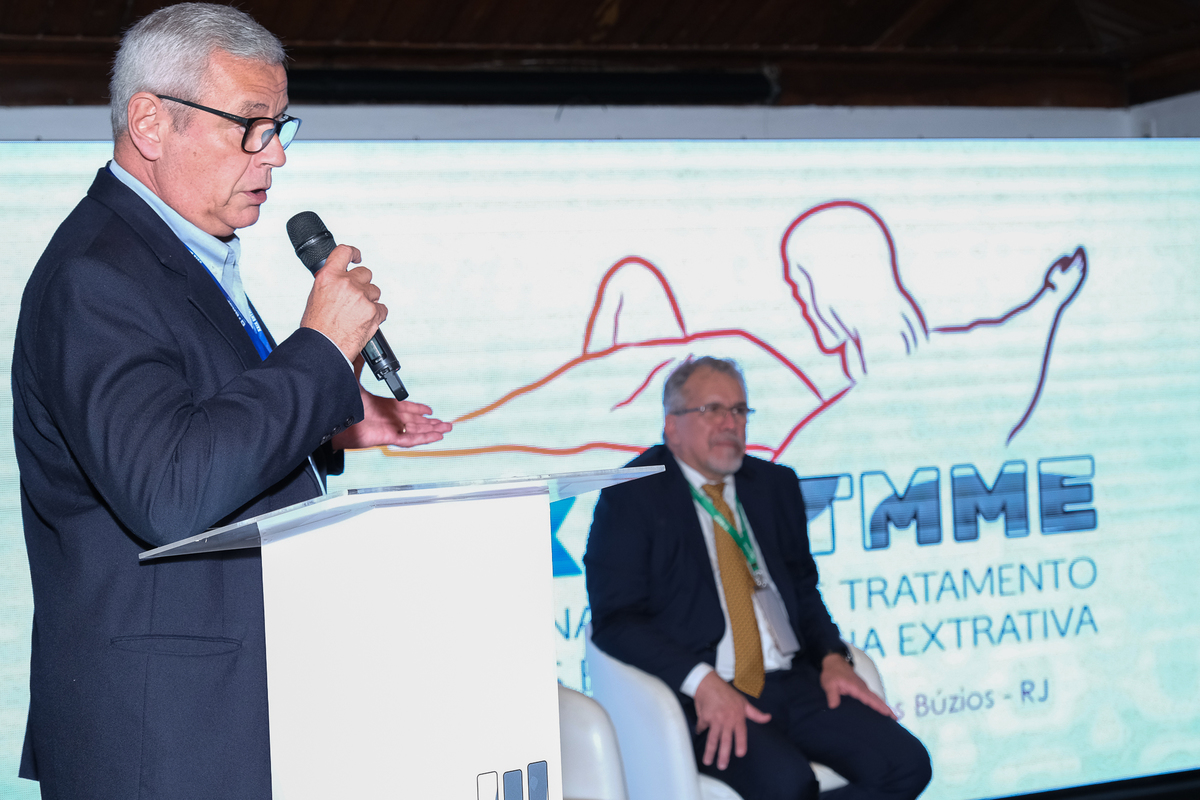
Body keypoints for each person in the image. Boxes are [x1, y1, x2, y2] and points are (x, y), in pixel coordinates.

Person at [11, 4, 451, 798]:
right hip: (163, 741)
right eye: (251, 125)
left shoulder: (177, 251)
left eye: (280, 127)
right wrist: (320, 351)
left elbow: (198, 421)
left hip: (224, 718)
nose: (275, 154)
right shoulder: (96, 275)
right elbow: (170, 491)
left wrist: (331, 427)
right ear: (151, 122)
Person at [584, 356, 931, 800]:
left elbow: (802, 588)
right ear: (671, 425)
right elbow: (616, 619)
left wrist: (830, 656)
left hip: (794, 681)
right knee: (789, 786)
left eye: (738, 410)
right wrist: (701, 681)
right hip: (703, 692)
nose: (729, 423)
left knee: (906, 765)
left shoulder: (774, 485)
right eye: (712, 410)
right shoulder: (631, 495)